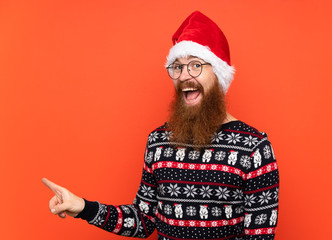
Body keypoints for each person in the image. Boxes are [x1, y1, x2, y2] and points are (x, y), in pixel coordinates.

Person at [43, 11, 279, 240]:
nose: (184, 76)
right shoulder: (158, 141)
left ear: (218, 74)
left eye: (195, 65)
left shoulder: (255, 148)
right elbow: (144, 220)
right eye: (177, 67)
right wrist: (83, 207)